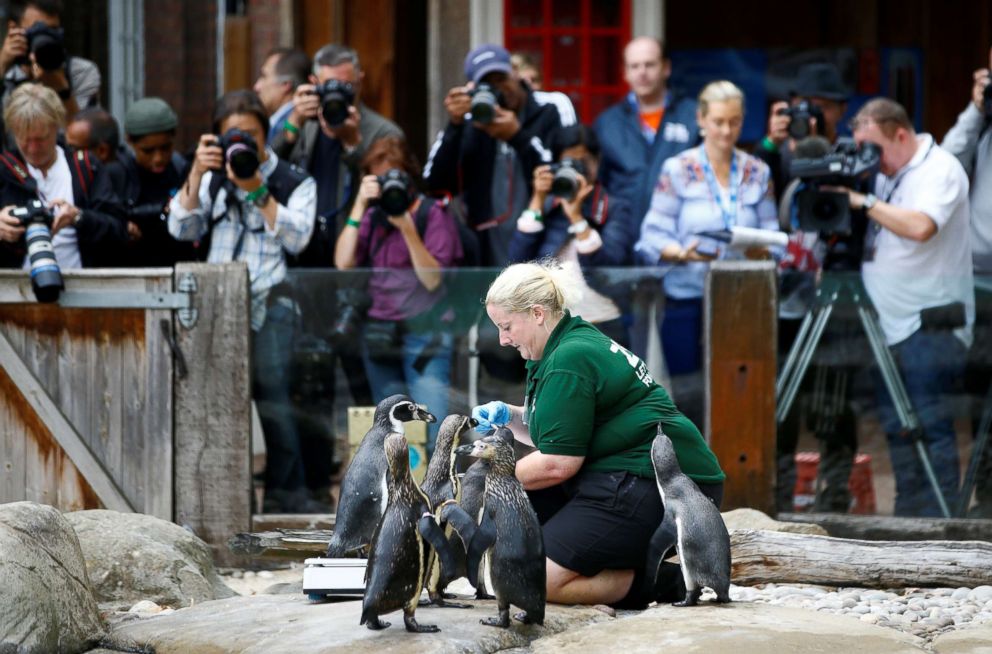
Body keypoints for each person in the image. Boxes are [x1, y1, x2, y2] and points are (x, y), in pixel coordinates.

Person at [471, 259, 725, 608]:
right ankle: (621, 564)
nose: (502, 340)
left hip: (662, 485)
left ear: (537, 314)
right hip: (626, 475)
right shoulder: (562, 345)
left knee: (532, 579)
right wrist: (509, 417)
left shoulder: (569, 358)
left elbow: (559, 462)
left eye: (507, 326)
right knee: (511, 546)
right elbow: (561, 430)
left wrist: (478, 482)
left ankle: (658, 581)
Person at [168, 89, 320, 513]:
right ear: (216, 137)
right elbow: (181, 229)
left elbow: (299, 237)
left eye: (250, 134)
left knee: (275, 403)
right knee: (214, 401)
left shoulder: (293, 180)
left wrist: (257, 188)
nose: (242, 143)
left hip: (273, 303)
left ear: (266, 133)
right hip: (218, 307)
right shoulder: (213, 176)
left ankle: (285, 503)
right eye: (232, 135)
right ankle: (218, 504)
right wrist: (197, 175)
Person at [840, 97, 974, 517]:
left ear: (900, 133)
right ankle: (907, 517)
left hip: (930, 324)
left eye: (874, 147)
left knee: (931, 426)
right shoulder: (887, 172)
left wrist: (862, 202)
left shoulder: (941, 169)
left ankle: (939, 524)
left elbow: (920, 226)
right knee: (897, 429)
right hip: (888, 325)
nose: (871, 159)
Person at [634, 81, 778, 432]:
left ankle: (736, 474)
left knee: (740, 390)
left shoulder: (758, 171)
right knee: (688, 393)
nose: (726, 130)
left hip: (742, 299)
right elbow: (651, 235)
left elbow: (774, 235)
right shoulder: (677, 169)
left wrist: (764, 250)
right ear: (701, 120)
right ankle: (692, 476)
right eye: (717, 121)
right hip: (687, 294)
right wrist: (682, 253)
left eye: (734, 121)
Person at [756, 62, 858, 513]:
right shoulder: (780, 158)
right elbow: (752, 189)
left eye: (820, 109)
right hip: (783, 304)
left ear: (838, 109)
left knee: (832, 401)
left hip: (834, 298)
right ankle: (777, 496)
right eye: (804, 109)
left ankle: (834, 496)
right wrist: (772, 143)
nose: (811, 118)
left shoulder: (853, 157)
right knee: (781, 401)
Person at [334, 136, 463, 454]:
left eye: (396, 177)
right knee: (390, 430)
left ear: (410, 176)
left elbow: (433, 280)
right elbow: (343, 262)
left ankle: (436, 496)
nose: (390, 185)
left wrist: (406, 227)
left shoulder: (432, 214)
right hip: (381, 330)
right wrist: (360, 205)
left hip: (426, 333)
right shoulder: (372, 216)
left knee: (432, 427)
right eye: (381, 179)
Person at [424, 43, 575, 268]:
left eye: (502, 78)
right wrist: (454, 126)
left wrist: (518, 137)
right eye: (489, 84)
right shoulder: (469, 120)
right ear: (473, 87)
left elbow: (568, 176)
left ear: (515, 73)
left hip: (544, 242)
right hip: (485, 249)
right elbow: (434, 184)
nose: (499, 89)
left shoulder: (551, 106)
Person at [271, 43, 403, 265]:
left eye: (346, 86)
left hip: (355, 255)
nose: (338, 95)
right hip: (303, 249)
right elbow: (269, 172)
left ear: (360, 79)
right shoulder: (305, 125)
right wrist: (293, 122)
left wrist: (352, 145)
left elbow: (389, 198)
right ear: (314, 84)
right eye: (330, 86)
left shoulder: (383, 132)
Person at [508, 124, 636, 345]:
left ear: (596, 163)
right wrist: (537, 200)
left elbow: (609, 264)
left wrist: (577, 218)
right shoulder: (547, 208)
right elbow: (516, 263)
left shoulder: (614, 208)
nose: (576, 170)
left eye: (583, 162)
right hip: (551, 326)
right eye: (568, 162)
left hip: (602, 322)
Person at [0, 83, 126, 269]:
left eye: (41, 138)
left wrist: (78, 217)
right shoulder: (5, 169)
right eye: (24, 139)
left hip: (82, 286)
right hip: (14, 288)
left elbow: (119, 230)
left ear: (57, 127)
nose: (33, 148)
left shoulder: (84, 167)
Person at [593, 37, 698, 229]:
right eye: (634, 66)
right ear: (625, 73)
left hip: (679, 237)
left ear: (666, 68)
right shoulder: (607, 123)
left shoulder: (694, 116)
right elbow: (599, 186)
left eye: (649, 65)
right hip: (622, 238)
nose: (642, 73)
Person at [118, 97, 200, 267]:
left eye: (165, 148)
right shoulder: (119, 172)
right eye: (147, 151)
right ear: (130, 141)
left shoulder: (181, 169)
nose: (158, 158)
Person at [1, 0, 101, 115]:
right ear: (14, 29)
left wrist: (62, 90)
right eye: (38, 31)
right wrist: (2, 65)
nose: (46, 39)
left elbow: (84, 131)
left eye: (53, 30)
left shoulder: (81, 71)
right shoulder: (7, 72)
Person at [254, 47, 310, 143]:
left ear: (285, 84)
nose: (256, 87)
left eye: (264, 76)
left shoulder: (288, 125)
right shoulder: (278, 122)